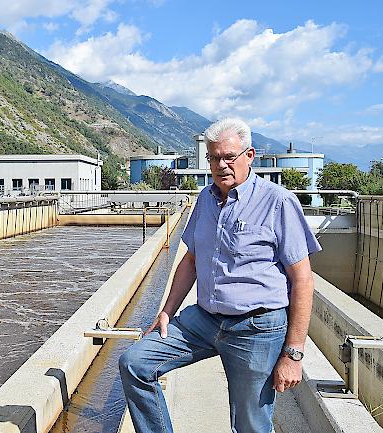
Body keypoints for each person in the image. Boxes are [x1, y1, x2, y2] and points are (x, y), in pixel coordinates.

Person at [119, 118, 321, 433]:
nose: (221, 165)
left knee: (250, 425)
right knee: (135, 364)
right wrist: (166, 312)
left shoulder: (277, 202)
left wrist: (293, 353)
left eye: (229, 157)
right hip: (205, 319)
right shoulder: (205, 199)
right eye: (214, 158)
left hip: (256, 327)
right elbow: (190, 260)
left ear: (249, 156)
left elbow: (303, 280)